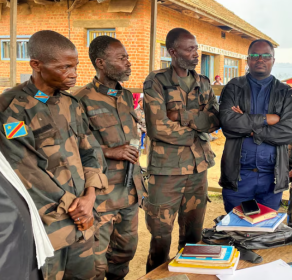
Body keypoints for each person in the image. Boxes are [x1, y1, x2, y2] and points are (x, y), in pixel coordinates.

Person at [0, 30, 108, 279]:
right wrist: (75, 206)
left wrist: (90, 197)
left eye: (75, 66)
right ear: (36, 65)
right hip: (47, 229)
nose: (74, 74)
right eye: (65, 67)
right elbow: (25, 170)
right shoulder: (11, 109)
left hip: (84, 221)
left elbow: (90, 152)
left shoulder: (71, 104)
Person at [143, 28, 220, 272]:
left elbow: (215, 120)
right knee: (160, 238)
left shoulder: (203, 83)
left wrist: (181, 116)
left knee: (193, 238)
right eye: (190, 49)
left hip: (198, 170)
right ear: (173, 52)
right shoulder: (157, 81)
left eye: (196, 48)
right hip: (167, 172)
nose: (196, 53)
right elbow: (157, 128)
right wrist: (196, 130)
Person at [74, 35, 147, 279]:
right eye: (122, 58)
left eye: (127, 57)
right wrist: (108, 151)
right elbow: (73, 145)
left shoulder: (126, 97)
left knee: (124, 253)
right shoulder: (79, 100)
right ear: (101, 63)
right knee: (96, 261)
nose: (128, 63)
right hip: (100, 197)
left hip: (129, 191)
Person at [219, 39, 292, 213]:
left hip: (271, 178)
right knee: (236, 229)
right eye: (254, 55)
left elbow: (288, 132)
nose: (260, 59)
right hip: (238, 176)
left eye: (266, 56)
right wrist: (265, 119)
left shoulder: (285, 92)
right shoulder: (234, 87)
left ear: (273, 60)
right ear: (248, 60)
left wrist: (251, 129)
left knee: (264, 233)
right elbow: (228, 124)